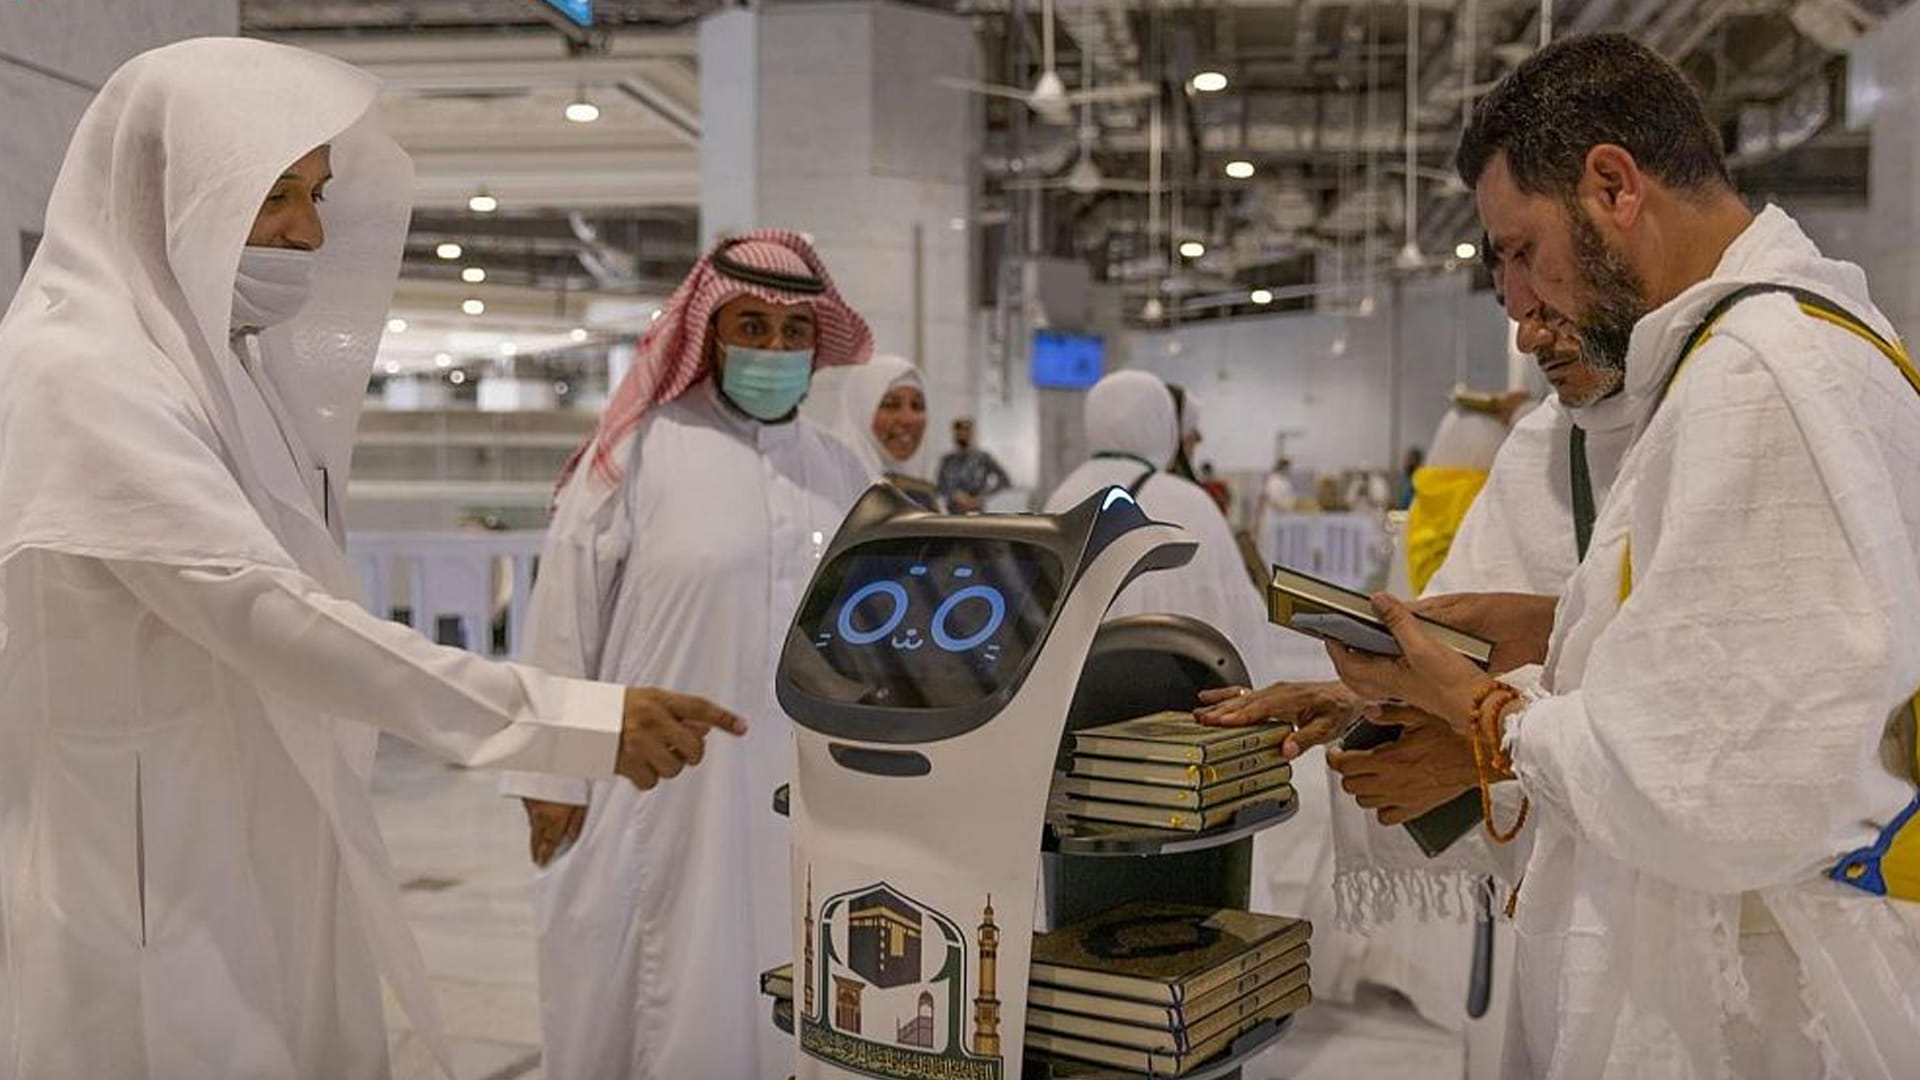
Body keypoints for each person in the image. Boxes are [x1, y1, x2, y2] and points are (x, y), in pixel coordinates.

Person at [0, 38, 739, 1078]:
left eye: (317, 195)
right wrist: (569, 719)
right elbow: (259, 607)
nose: (307, 233)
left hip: (258, 837)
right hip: (145, 878)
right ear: (168, 192)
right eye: (275, 197)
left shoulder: (215, 368)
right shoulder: (82, 369)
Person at [1327, 33, 1920, 1079]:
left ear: (1613, 186)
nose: (1514, 305)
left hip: (1747, 1017)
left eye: (1518, 249)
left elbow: (1701, 794)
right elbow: (1762, 683)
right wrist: (1547, 630)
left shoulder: (1754, 373)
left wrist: (1482, 711)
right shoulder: (1800, 345)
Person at [501, 230, 874, 1080]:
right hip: (655, 785)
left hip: (806, 788)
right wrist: (550, 776)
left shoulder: (843, 472)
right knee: (654, 977)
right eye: (751, 327)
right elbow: (563, 617)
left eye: (793, 333)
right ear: (709, 333)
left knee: (795, 974)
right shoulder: (638, 451)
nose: (773, 350)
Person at [806, 352, 938, 509]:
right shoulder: (833, 488)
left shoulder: (924, 490)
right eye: (890, 405)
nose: (907, 419)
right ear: (860, 411)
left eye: (917, 406)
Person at [935, 415, 1011, 512]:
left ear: (972, 433)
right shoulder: (947, 460)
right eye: (958, 430)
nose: (962, 433)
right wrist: (953, 495)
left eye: (966, 430)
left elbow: (1005, 480)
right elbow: (939, 487)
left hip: (976, 513)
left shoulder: (983, 458)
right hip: (953, 514)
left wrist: (982, 497)